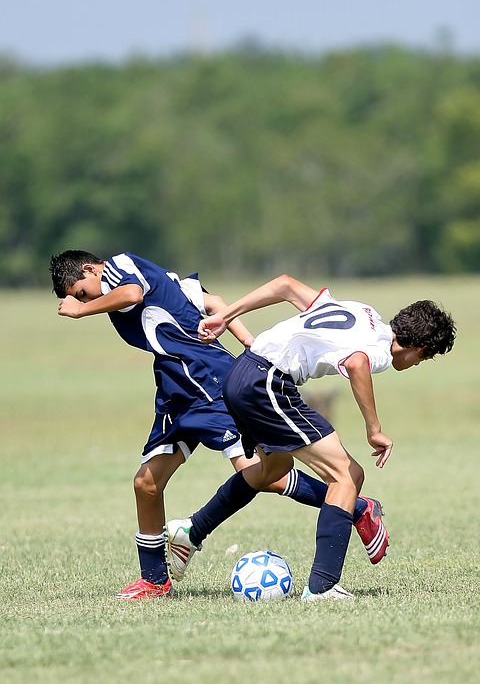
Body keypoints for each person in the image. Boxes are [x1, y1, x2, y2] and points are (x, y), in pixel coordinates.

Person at [50, 252, 389, 600]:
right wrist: (247, 342)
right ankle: (154, 580)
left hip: (207, 380)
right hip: (174, 387)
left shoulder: (121, 267)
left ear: (90, 269)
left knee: (264, 471)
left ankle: (358, 507)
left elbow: (132, 294)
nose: (85, 300)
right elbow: (210, 301)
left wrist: (81, 310)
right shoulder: (159, 278)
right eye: (81, 300)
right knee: (146, 483)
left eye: (81, 292)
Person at [166, 276, 456, 601]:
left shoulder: (362, 311)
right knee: (347, 475)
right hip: (267, 382)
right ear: (421, 348)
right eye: (423, 359)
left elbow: (286, 285)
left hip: (240, 373)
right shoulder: (382, 351)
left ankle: (191, 530)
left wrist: (226, 314)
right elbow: (357, 362)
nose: (415, 364)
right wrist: (374, 429)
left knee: (273, 469)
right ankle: (322, 587)